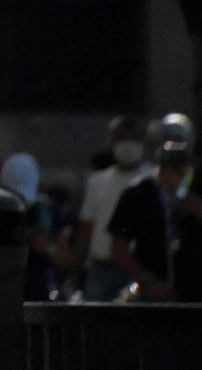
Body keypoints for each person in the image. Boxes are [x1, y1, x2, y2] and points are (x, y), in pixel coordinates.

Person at [76, 115, 157, 300]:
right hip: (102, 269)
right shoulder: (98, 181)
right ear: (111, 141)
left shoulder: (152, 179)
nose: (127, 144)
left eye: (133, 138)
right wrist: (77, 261)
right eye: (121, 137)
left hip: (139, 271)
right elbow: (87, 226)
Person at [110, 132, 193, 301]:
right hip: (151, 290)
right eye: (173, 169)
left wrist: (187, 200)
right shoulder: (139, 193)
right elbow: (118, 245)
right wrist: (146, 280)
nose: (178, 175)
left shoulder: (192, 196)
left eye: (182, 169)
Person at [0, 152, 69, 301]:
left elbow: (66, 259)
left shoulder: (47, 212)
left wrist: (47, 247)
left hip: (38, 290)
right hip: (3, 288)